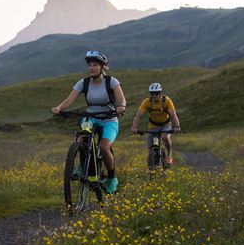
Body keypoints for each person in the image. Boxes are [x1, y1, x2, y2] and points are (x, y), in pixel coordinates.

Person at [52, 50, 126, 194]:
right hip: (91, 117)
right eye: (89, 65)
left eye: (95, 65)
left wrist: (121, 106)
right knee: (82, 137)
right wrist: (59, 108)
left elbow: (121, 98)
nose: (91, 68)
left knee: (104, 148)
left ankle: (111, 178)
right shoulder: (83, 83)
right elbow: (69, 100)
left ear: (102, 67)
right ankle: (81, 166)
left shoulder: (112, 82)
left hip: (109, 119)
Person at [131, 82, 181, 168]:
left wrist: (177, 126)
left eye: (157, 93)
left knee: (165, 138)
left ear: (161, 93)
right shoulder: (147, 102)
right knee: (150, 149)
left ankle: (169, 156)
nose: (154, 96)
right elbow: (138, 115)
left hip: (165, 125)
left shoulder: (167, 101)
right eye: (152, 93)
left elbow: (173, 115)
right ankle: (151, 168)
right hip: (153, 126)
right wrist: (134, 127)